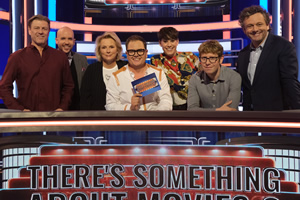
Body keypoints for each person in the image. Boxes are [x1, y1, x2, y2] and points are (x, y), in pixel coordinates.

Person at [0, 14, 73, 111]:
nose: (40, 32)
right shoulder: (17, 57)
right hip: (27, 119)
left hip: (54, 118)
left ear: (48, 31)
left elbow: (68, 86)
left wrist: (62, 108)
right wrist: (19, 109)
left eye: (44, 28)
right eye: (36, 28)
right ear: (29, 30)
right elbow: (4, 87)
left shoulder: (60, 57)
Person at [237, 5, 300, 111]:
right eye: (250, 26)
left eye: (259, 24)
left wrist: (297, 112)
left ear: (267, 25)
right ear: (244, 30)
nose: (255, 29)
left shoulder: (283, 46)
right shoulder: (243, 54)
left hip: (276, 114)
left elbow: (289, 82)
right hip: (251, 115)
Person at [106, 35, 172, 111]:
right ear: (127, 53)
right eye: (132, 51)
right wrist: (130, 108)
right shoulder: (116, 77)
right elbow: (110, 106)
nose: (136, 54)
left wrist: (155, 117)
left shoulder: (158, 73)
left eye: (140, 51)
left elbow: (166, 100)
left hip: (154, 120)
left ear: (146, 52)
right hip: (129, 121)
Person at [151, 27, 199, 110]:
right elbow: (152, 83)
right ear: (160, 43)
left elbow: (204, 71)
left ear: (177, 42)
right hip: (168, 106)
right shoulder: (155, 60)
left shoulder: (190, 57)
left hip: (190, 105)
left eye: (172, 41)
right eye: (165, 41)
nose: (169, 45)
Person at [187, 40, 241, 111]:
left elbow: (230, 110)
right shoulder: (195, 79)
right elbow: (191, 109)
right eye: (204, 58)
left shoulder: (234, 77)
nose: (207, 63)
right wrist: (217, 111)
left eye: (212, 58)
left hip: (227, 121)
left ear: (221, 59)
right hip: (204, 121)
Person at [80, 32, 127, 110]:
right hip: (97, 118)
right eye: (104, 47)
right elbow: (85, 99)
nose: (108, 51)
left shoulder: (125, 68)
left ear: (117, 49)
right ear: (99, 51)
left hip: (121, 117)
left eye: (111, 47)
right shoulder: (91, 70)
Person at [56, 26, 89, 110]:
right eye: (63, 38)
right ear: (57, 40)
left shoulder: (82, 59)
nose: (67, 42)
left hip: (78, 109)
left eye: (70, 39)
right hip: (56, 109)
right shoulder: (49, 59)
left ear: (74, 42)